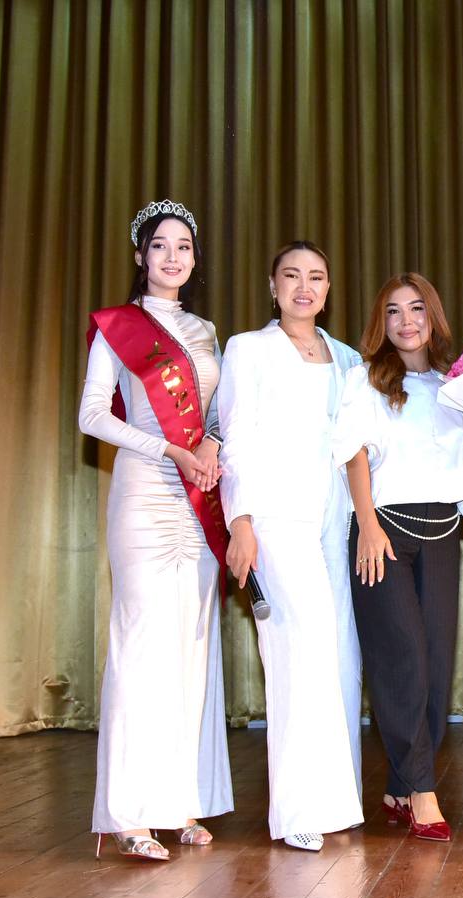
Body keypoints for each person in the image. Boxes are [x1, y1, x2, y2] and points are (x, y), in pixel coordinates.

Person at [79, 200, 233, 861]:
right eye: (160, 245)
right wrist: (170, 450)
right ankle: (129, 813)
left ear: (195, 259)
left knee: (191, 650)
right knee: (141, 648)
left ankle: (179, 803)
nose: (173, 256)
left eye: (184, 247)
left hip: (199, 499)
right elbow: (91, 416)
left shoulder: (205, 330)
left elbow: (220, 414)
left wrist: (213, 446)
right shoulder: (118, 327)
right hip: (145, 493)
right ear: (141, 255)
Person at [338, 272, 463, 843]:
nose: (406, 321)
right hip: (384, 533)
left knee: (433, 664)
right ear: (381, 323)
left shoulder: (456, 387)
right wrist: (367, 525)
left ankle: (400, 787)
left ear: (434, 317)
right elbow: (353, 453)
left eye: (416, 310)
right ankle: (423, 793)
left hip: (442, 532)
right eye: (393, 311)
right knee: (401, 658)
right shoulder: (364, 380)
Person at [217, 241, 365, 851]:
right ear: (272, 285)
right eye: (292, 275)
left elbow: (357, 444)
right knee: (296, 650)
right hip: (275, 516)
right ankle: (298, 810)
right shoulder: (248, 349)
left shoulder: (348, 358)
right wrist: (240, 519)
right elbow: (235, 435)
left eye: (317, 277)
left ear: (328, 289)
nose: (305, 287)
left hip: (334, 517)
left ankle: (337, 800)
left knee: (337, 654)